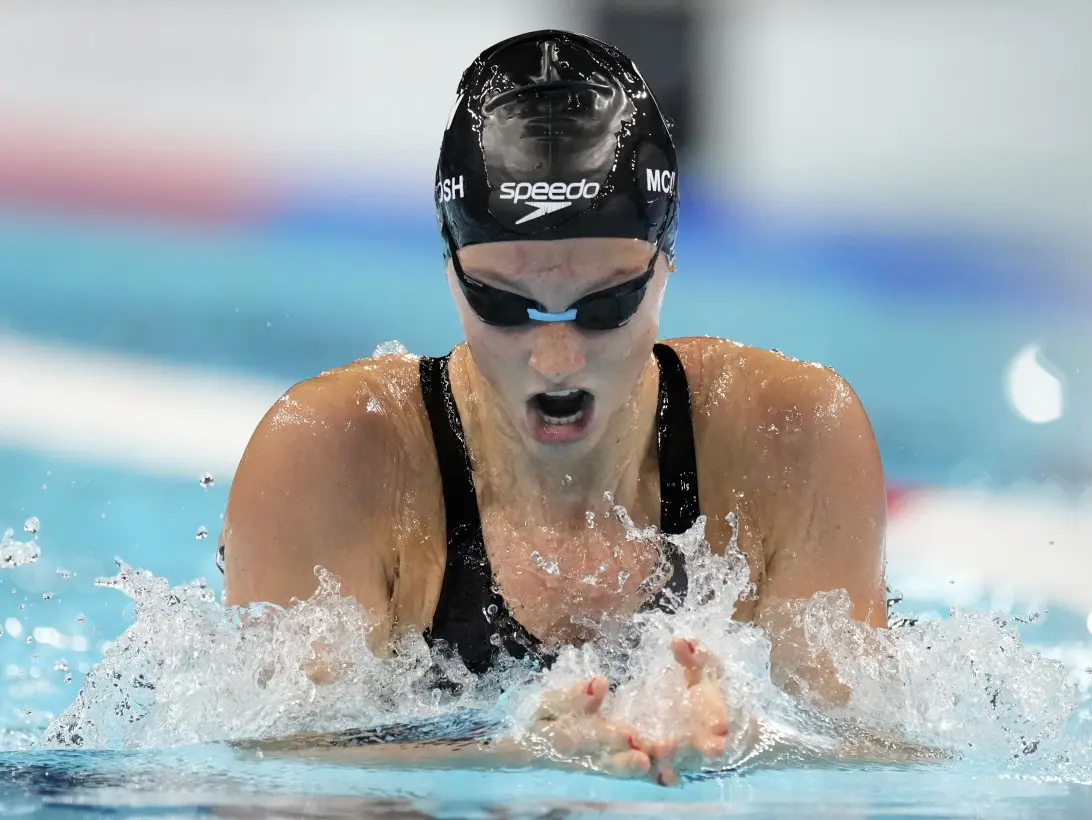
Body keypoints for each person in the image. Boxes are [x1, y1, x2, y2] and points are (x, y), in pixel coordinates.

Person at [219, 30, 887, 785]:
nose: (557, 358)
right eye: (506, 304)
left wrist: (757, 743)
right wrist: (508, 756)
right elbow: (268, 773)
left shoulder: (791, 436)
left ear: (666, 263)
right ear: (449, 268)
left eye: (605, 304)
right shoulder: (332, 455)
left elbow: (883, 759)